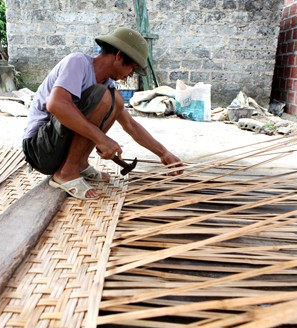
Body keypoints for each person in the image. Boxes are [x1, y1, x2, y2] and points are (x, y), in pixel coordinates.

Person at [22, 27, 182, 200]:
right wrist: (102, 139)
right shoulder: (78, 62)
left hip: (55, 147)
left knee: (116, 100)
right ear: (119, 56)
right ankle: (66, 174)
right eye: (131, 68)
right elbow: (56, 104)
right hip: (39, 149)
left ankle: (80, 165)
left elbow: (130, 125)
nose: (129, 75)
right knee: (105, 97)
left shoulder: (107, 84)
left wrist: (163, 153)